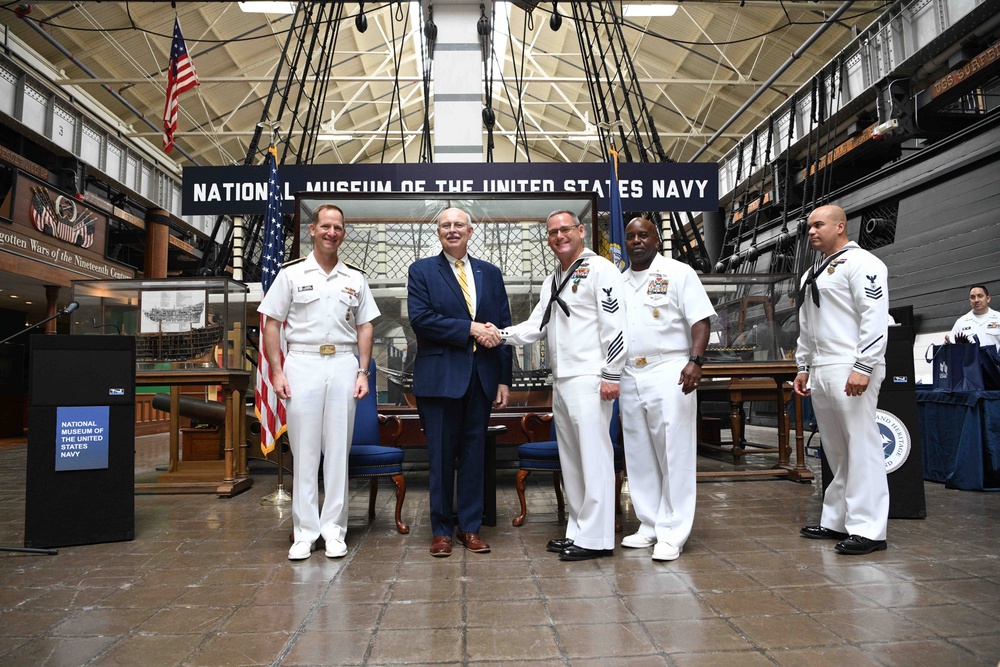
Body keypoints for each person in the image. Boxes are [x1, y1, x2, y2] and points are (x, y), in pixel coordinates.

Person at [499, 210, 628, 561]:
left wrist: (612, 373)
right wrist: (500, 334)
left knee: (595, 458)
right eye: (553, 232)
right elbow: (536, 326)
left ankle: (598, 539)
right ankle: (579, 531)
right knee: (571, 459)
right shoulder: (553, 278)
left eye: (565, 229)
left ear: (581, 231)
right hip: (563, 379)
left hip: (590, 378)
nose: (559, 236)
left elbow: (615, 324)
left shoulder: (600, 269)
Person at [259, 204, 379, 561]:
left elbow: (365, 326)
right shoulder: (291, 274)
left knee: (338, 453)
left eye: (338, 227)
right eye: (325, 226)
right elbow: (270, 323)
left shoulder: (354, 278)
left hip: (343, 364)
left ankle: (334, 531)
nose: (331, 232)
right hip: (303, 364)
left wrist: (363, 371)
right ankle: (305, 532)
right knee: (306, 453)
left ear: (344, 232)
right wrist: (277, 372)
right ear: (312, 230)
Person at [407, 207, 513, 558]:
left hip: (481, 379)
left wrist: (503, 379)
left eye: (458, 225)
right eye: (445, 225)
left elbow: (503, 327)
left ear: (470, 231)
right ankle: (440, 531)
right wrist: (470, 328)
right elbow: (422, 320)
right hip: (439, 380)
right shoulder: (422, 270)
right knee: (439, 456)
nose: (452, 230)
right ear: (438, 232)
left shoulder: (490, 273)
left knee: (473, 455)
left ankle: (470, 528)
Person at [793, 204, 890, 556]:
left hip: (851, 363)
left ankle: (869, 529)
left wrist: (864, 366)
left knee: (861, 446)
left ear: (840, 226)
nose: (812, 232)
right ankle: (837, 519)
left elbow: (874, 316)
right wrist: (803, 366)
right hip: (821, 367)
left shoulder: (864, 263)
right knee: (836, 449)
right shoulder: (813, 272)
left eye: (819, 225)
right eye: (809, 227)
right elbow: (808, 324)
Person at [619, 217, 716, 562]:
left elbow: (700, 320)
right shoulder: (620, 281)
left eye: (643, 235)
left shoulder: (678, 273)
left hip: (670, 367)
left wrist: (696, 361)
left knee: (673, 451)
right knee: (639, 451)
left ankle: (673, 532)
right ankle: (649, 523)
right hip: (630, 372)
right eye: (630, 236)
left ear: (657, 240)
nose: (636, 241)